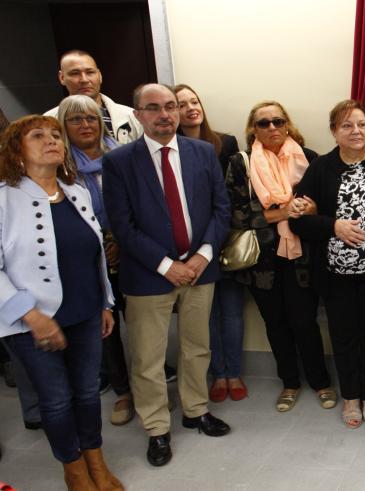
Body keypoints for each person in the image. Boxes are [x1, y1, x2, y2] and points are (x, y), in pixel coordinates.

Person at [102, 83, 232, 467]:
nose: (165, 115)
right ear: (138, 114)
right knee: (148, 357)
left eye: (171, 107)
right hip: (148, 275)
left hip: (199, 270)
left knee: (197, 347)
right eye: (154, 108)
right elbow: (121, 226)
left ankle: (195, 410)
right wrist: (166, 265)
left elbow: (220, 209)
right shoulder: (119, 162)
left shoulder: (202, 152)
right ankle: (157, 429)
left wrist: (203, 255)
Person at [0, 115, 121, 489]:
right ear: (17, 152)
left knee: (87, 393)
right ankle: (73, 468)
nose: (51, 140)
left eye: (55, 135)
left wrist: (105, 302)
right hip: (30, 321)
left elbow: (94, 255)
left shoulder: (77, 191)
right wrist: (30, 315)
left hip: (85, 310)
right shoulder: (4, 198)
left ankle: (95, 461)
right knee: (55, 400)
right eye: (38, 136)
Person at [290, 99, 365, 428]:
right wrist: (332, 226)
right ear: (334, 132)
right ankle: (351, 396)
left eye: (362, 124)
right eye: (347, 125)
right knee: (343, 335)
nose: (356, 131)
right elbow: (298, 221)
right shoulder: (322, 167)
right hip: (336, 273)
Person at [226, 101, 336, 413]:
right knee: (275, 323)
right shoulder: (241, 163)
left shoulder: (310, 159)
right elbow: (239, 214)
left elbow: (325, 208)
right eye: (264, 123)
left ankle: (320, 381)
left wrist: (309, 211)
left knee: (305, 321)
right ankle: (289, 382)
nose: (272, 127)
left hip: (302, 257)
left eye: (277, 121)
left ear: (287, 124)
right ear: (253, 130)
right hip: (261, 260)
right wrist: (287, 212)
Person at [56, 94, 140, 427]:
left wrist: (121, 239)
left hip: (130, 249)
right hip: (89, 257)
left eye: (92, 118)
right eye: (76, 119)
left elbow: (139, 202)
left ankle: (149, 382)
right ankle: (122, 390)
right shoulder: (60, 165)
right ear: (64, 126)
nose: (86, 125)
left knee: (140, 322)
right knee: (105, 327)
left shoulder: (121, 156)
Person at [174, 84, 246, 403]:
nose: (190, 108)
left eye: (194, 101)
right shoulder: (168, 148)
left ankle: (234, 372)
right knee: (205, 314)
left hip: (224, 238)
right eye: (181, 104)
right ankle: (218, 374)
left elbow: (234, 193)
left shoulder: (225, 142)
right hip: (188, 246)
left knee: (231, 311)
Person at [44, 50, 142, 144]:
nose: (84, 80)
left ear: (99, 76)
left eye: (90, 72)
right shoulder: (48, 121)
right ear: (62, 78)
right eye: (75, 73)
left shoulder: (131, 116)